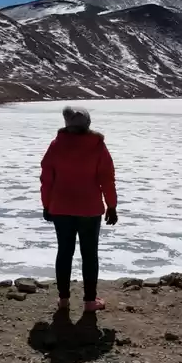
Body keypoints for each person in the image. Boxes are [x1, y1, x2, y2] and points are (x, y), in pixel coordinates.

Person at [40, 105, 118, 313]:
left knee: (64, 252)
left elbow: (47, 179)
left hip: (61, 207)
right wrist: (111, 206)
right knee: (89, 254)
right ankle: (90, 302)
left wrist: (46, 204)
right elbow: (107, 179)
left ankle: (64, 300)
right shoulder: (97, 145)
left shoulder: (56, 146)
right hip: (89, 209)